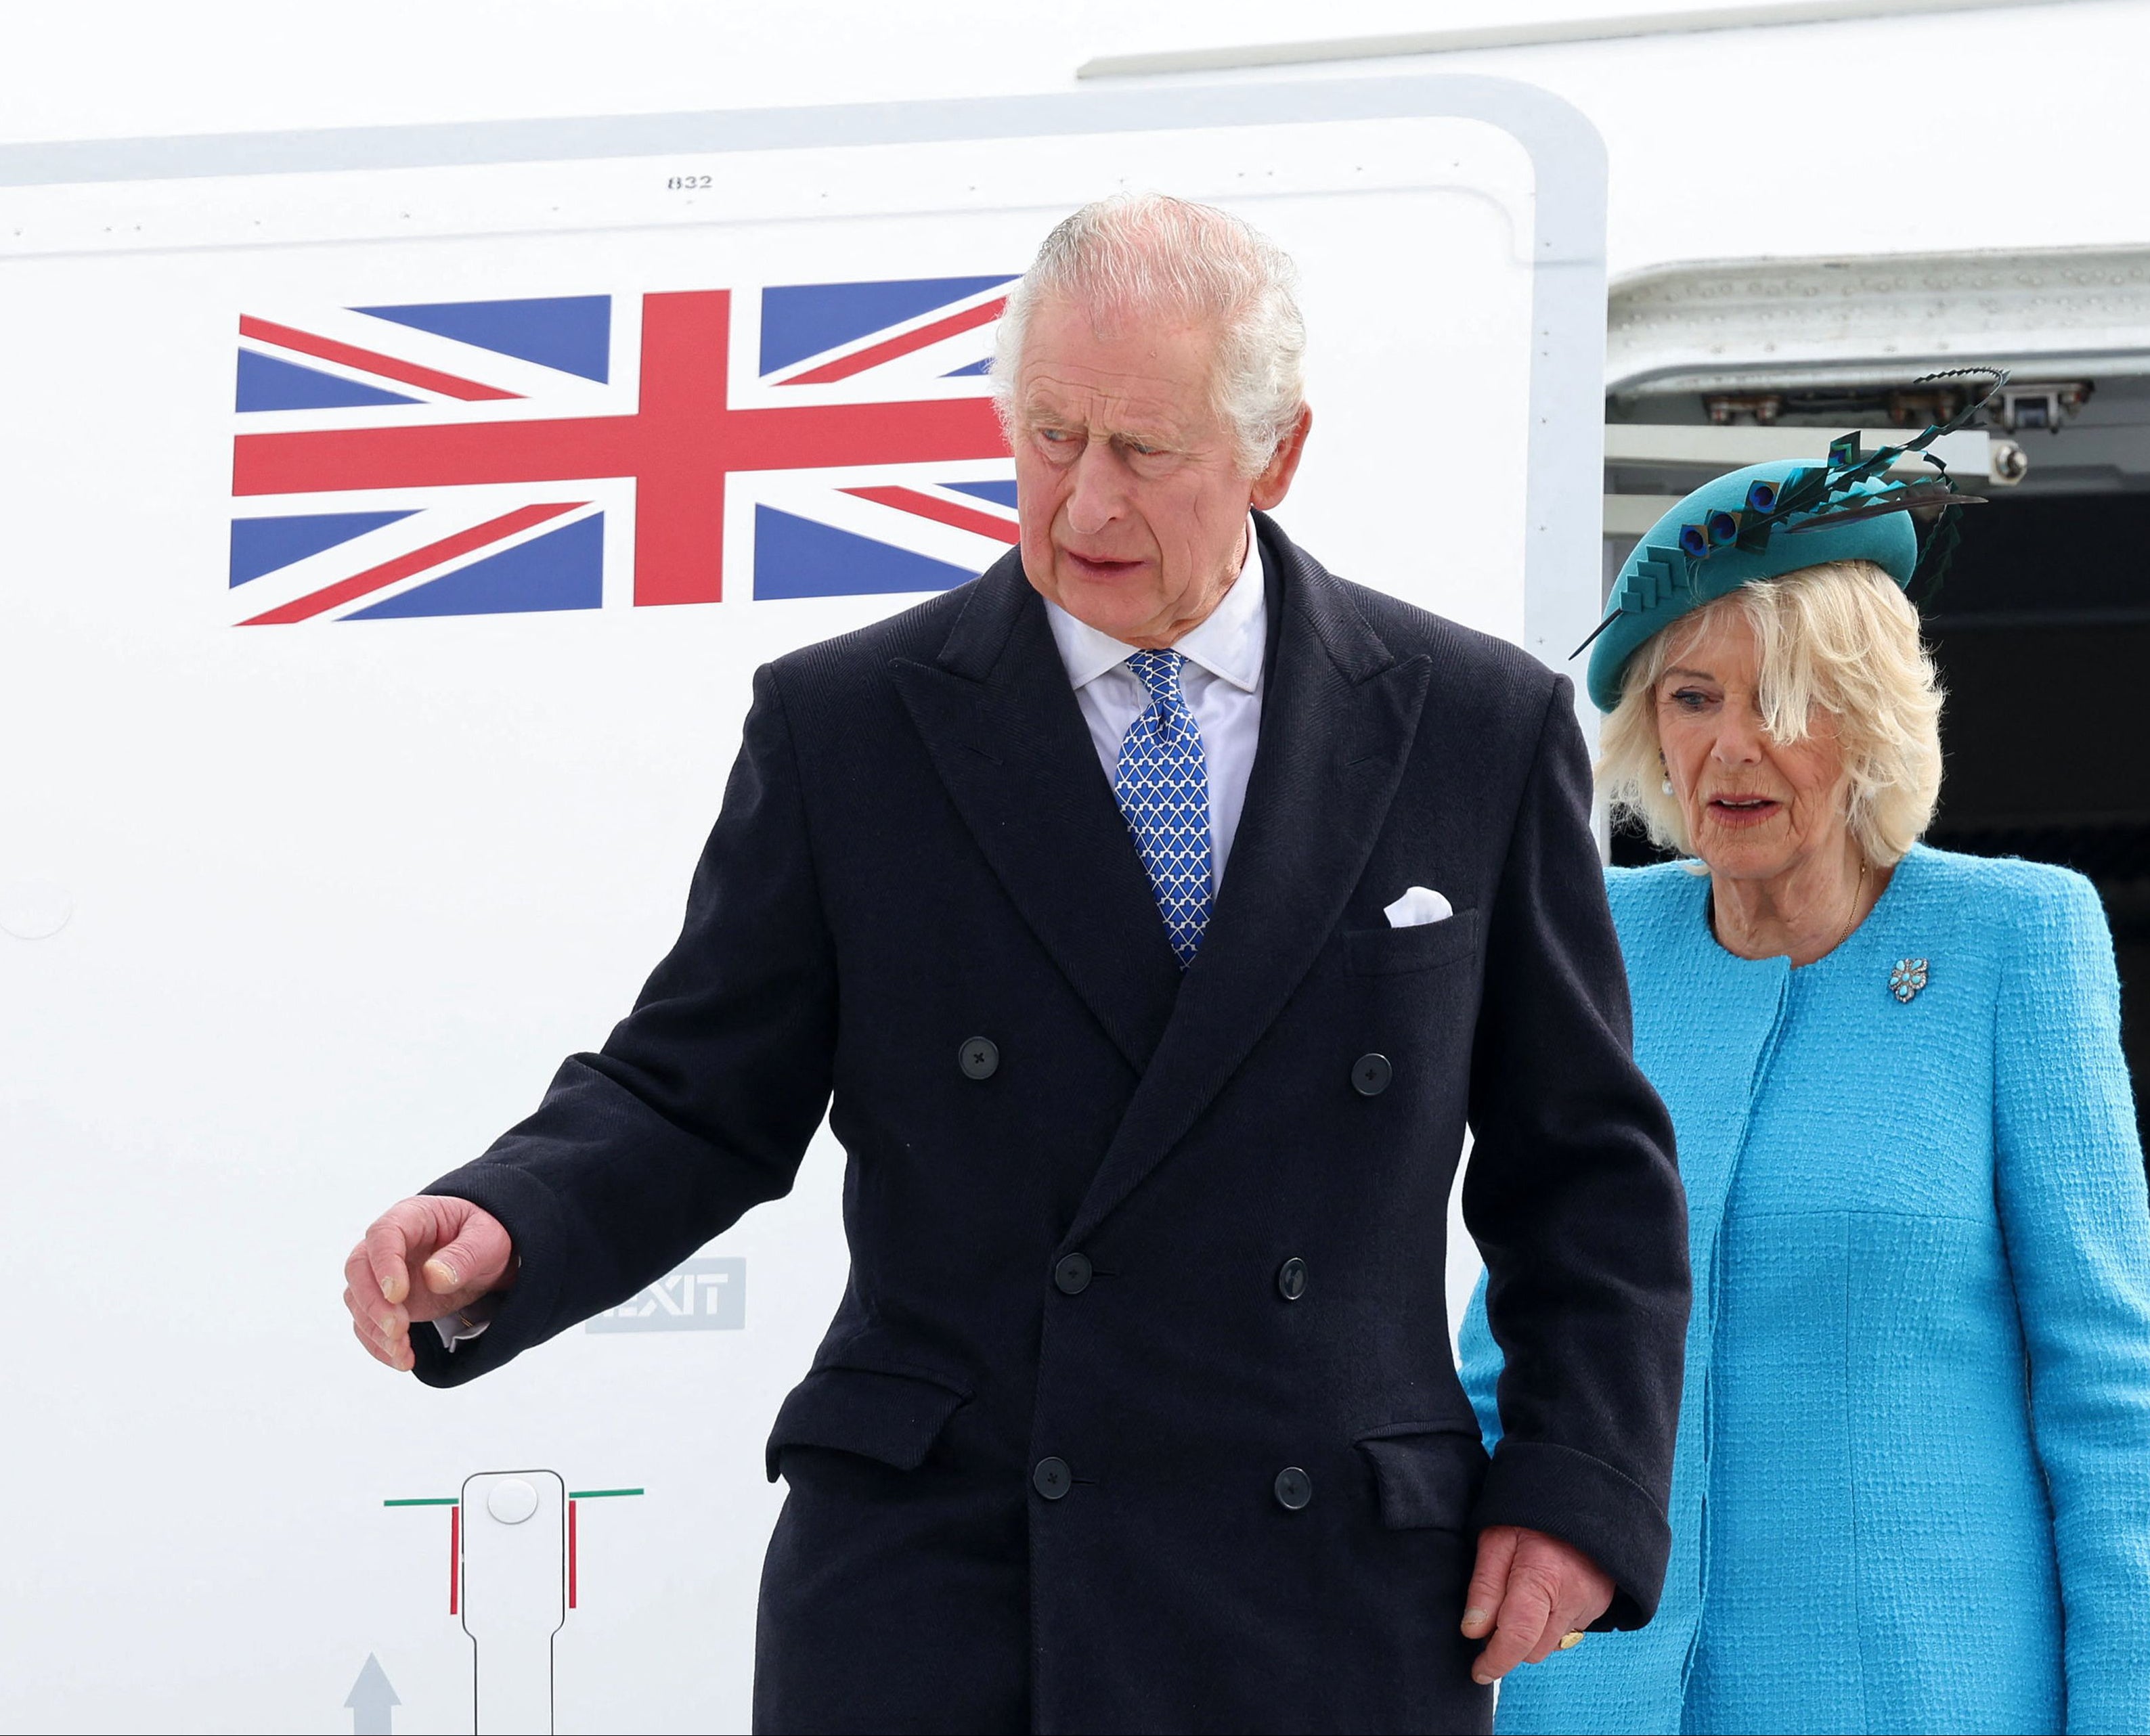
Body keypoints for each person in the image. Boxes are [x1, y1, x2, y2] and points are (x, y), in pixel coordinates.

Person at [339, 193, 1689, 1735]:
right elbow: (690, 1090)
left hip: (1324, 1600)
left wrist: (1578, 1483)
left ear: (1276, 452)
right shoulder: (850, 727)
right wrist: (510, 1215)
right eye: (1048, 437)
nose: (1082, 504)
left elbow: (1581, 1164)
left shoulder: (1472, 726)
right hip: (951, 1593)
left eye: (1142, 451)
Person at [1459, 431, 2150, 1734]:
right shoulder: (1602, 938)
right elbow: (1511, 1355)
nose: (1734, 747)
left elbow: (2109, 1397)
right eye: (1693, 699)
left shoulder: (2010, 942)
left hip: (1918, 1696)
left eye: (1787, 703)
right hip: (1586, 1701)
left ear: (1866, 722)